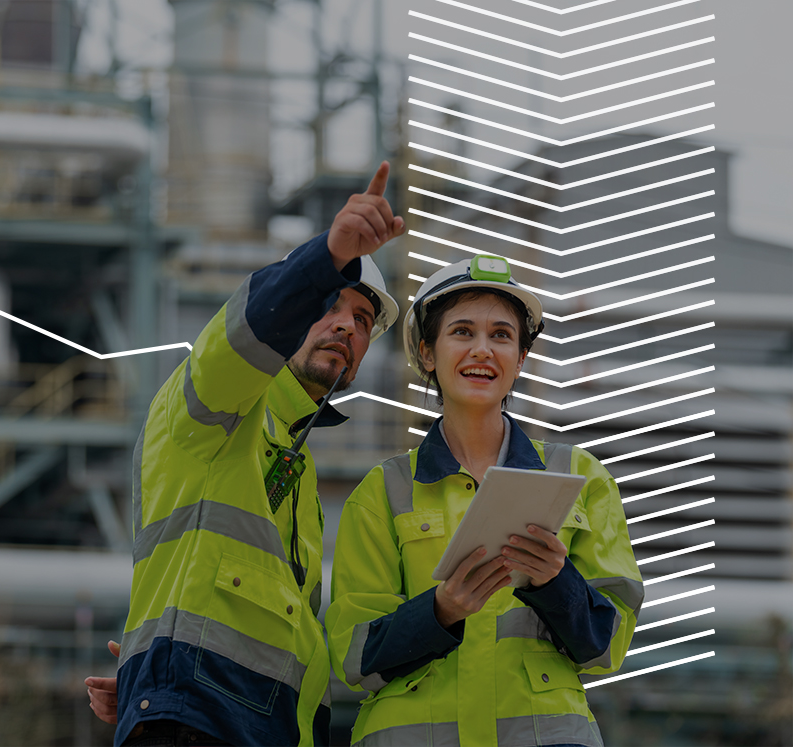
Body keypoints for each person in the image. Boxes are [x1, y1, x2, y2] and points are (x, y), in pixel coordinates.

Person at [88, 162, 406, 746]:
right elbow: (240, 338)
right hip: (198, 721)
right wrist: (328, 255)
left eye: (362, 320)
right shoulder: (217, 404)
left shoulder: (298, 464)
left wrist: (144, 672)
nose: (344, 326)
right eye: (328, 304)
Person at [326, 256, 644, 747]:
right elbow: (352, 656)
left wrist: (556, 581)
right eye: (462, 332)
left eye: (501, 335)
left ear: (520, 358)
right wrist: (440, 611)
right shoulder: (383, 492)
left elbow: (608, 645)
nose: (483, 349)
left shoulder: (579, 477)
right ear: (428, 354)